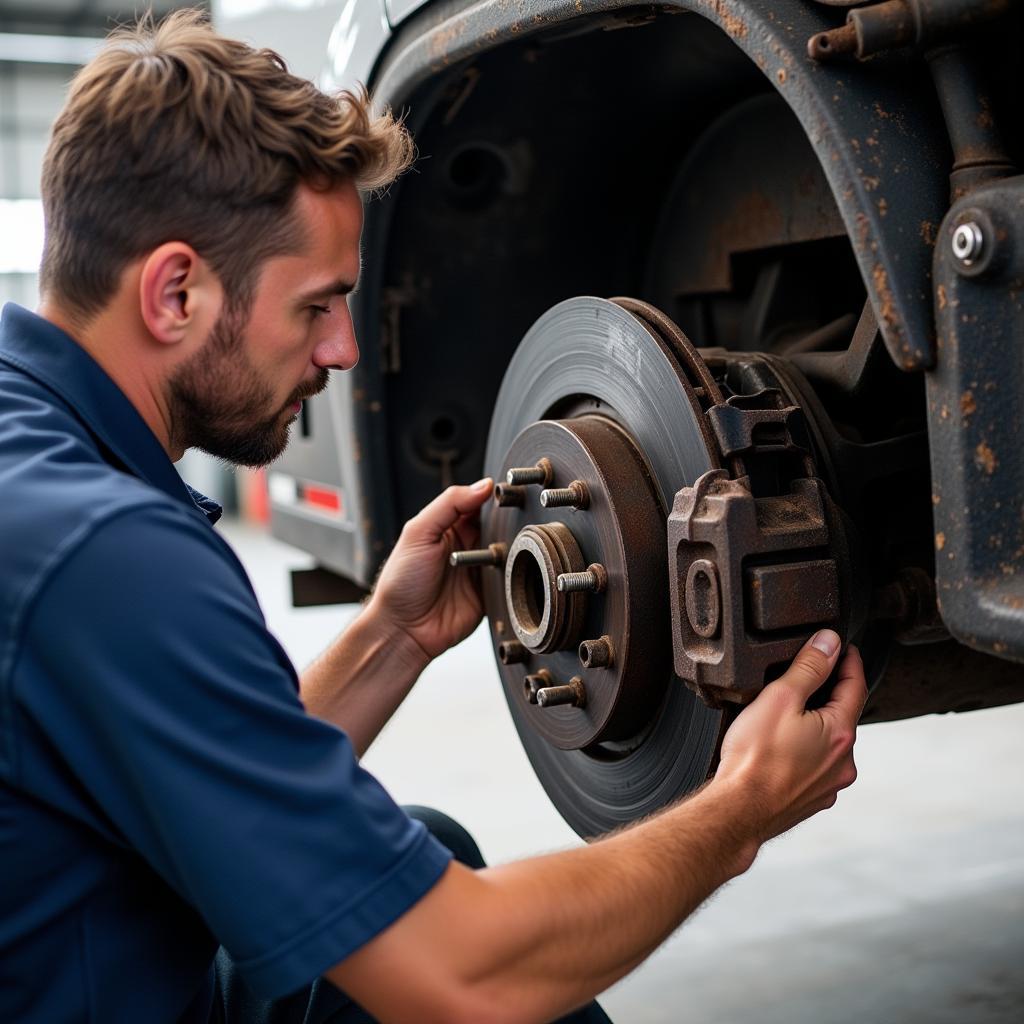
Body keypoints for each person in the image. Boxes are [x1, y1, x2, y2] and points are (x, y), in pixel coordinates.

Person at [0, 10, 866, 1024]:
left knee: (425, 846)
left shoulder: (39, 471)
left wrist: (391, 638)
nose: (342, 354)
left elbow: (185, 769)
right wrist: (735, 811)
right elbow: (463, 978)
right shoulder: (106, 558)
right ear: (175, 290)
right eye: (316, 306)